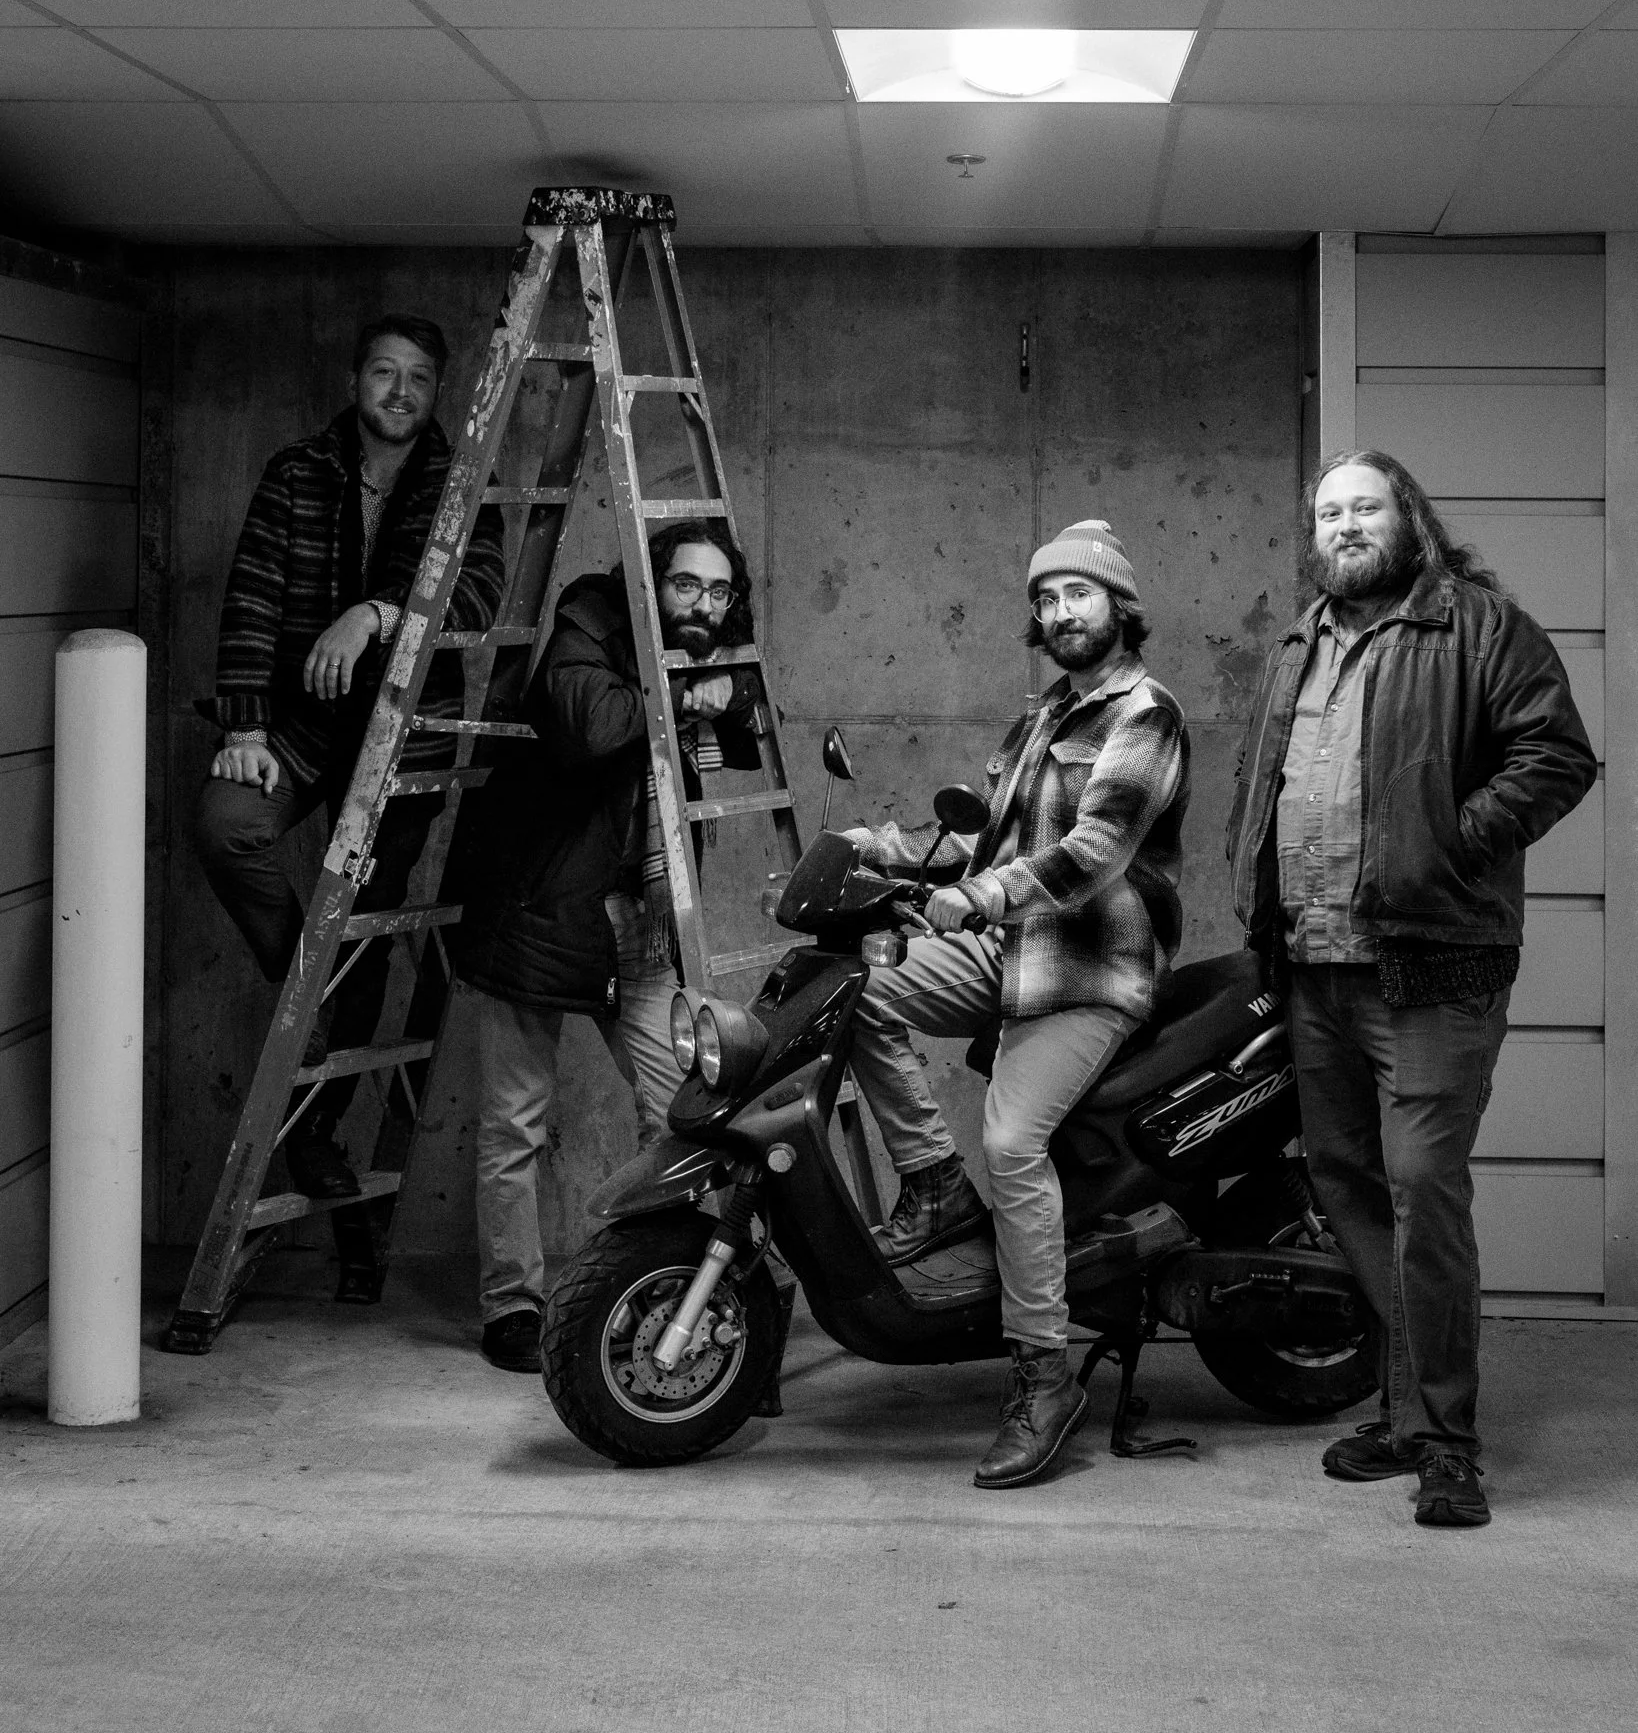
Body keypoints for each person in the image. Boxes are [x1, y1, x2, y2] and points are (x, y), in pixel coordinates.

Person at [1226, 451, 1595, 1530]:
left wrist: (1454, 842)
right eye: (1328, 510)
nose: (1345, 524)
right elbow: (1270, 785)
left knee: (1424, 1183)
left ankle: (1448, 1442)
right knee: (1345, 1180)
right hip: (1314, 963)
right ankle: (1402, 1410)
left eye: (1364, 505)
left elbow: (1556, 755)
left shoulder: (1479, 625)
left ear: (1409, 517)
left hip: (1432, 964)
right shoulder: (1301, 639)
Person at [844, 520, 1189, 1488]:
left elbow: (1090, 855)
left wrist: (980, 898)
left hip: (1092, 968)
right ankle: (931, 1181)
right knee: (856, 990)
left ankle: (1042, 1372)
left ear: (1120, 606)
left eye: (1079, 593)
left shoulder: (1144, 714)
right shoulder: (1043, 714)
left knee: (1012, 1142)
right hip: (1013, 952)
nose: (1058, 611)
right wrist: (892, 848)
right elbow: (989, 845)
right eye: (1045, 597)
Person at [195, 314, 505, 1200]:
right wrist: (245, 731)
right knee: (226, 823)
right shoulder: (298, 470)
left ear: (437, 391)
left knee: (364, 928)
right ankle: (314, 1003)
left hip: (403, 733)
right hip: (299, 723)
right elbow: (251, 595)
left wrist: (375, 613)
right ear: (355, 381)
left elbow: (479, 595)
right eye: (383, 372)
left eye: (417, 377)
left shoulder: (462, 481)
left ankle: (321, 1127)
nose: (399, 391)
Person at [448, 519, 765, 1372]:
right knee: (516, 1123)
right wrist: (691, 692)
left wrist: (719, 694)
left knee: (678, 1112)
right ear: (651, 587)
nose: (702, 605)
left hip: (639, 920)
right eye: (685, 587)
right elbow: (592, 725)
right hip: (544, 913)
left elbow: (748, 725)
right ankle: (511, 1307)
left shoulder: (710, 644)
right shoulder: (587, 625)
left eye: (718, 591)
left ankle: (657, 1281)